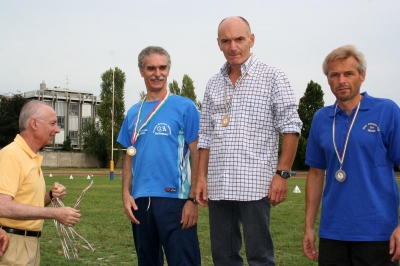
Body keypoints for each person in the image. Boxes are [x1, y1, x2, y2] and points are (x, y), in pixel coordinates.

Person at [196, 16, 302, 266]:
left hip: (256, 186)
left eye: (239, 39)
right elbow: (205, 135)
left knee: (260, 258)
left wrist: (282, 173)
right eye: (226, 41)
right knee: (223, 258)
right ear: (218, 44)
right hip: (219, 186)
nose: (233, 46)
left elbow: (291, 126)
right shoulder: (213, 83)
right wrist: (201, 177)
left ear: (251, 40)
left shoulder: (273, 77)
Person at [303, 45, 400, 265]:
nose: (341, 80)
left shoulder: (387, 111)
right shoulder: (321, 118)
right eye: (334, 75)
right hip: (332, 233)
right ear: (328, 79)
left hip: (378, 232)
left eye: (349, 73)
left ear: (362, 76)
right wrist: (309, 227)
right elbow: (316, 174)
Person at [117, 46, 201, 266]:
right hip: (140, 201)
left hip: (176, 201)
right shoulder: (133, 112)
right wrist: (126, 193)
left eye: (163, 67)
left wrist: (192, 200)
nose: (157, 73)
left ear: (168, 70)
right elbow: (129, 155)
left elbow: (197, 153)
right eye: (151, 68)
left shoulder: (185, 107)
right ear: (141, 71)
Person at [0, 100, 82, 266]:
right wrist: (55, 213)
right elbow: (3, 206)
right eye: (52, 123)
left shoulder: (31, 157)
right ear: (34, 123)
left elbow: (25, 202)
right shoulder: (12, 155)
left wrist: (50, 196)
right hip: (13, 244)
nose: (57, 130)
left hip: (29, 243)